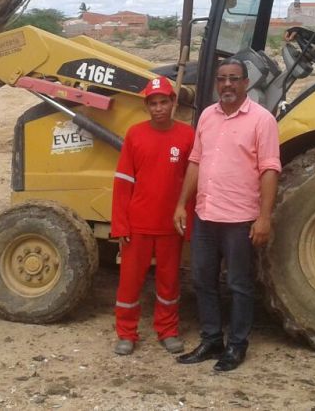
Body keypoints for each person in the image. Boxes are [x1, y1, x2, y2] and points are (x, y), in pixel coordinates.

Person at [172, 58, 281, 372]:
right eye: (222, 79)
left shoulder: (262, 120)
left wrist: (264, 217)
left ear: (246, 82)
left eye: (234, 78)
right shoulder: (207, 115)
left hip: (239, 218)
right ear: (216, 83)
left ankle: (236, 345)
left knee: (238, 284)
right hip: (206, 215)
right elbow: (196, 161)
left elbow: (270, 170)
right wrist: (181, 203)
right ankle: (211, 340)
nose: (227, 84)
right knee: (202, 280)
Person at [111, 77, 195, 356]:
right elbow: (123, 181)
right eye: (153, 103)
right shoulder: (135, 134)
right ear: (146, 106)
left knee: (169, 282)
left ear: (173, 102)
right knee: (129, 282)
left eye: (163, 102)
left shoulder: (188, 136)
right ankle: (126, 333)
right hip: (138, 225)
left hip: (171, 226)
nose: (158, 108)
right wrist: (120, 224)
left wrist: (189, 225)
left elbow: (192, 183)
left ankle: (168, 330)